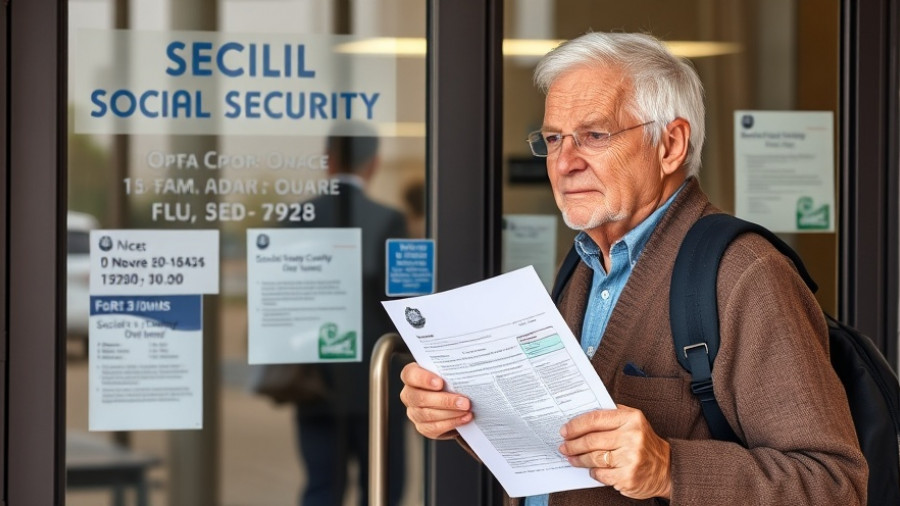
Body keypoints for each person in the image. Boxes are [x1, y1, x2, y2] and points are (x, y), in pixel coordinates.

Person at [399, 32, 867, 505]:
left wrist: (668, 468)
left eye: (595, 135)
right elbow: (563, 448)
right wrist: (461, 414)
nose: (564, 163)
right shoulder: (585, 263)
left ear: (670, 145)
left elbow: (834, 484)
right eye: (554, 138)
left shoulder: (746, 273)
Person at [291, 127, 408, 506]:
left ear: (327, 159)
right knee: (382, 487)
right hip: (375, 383)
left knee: (322, 486)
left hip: (313, 380)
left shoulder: (294, 220)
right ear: (373, 163)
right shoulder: (387, 220)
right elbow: (402, 304)